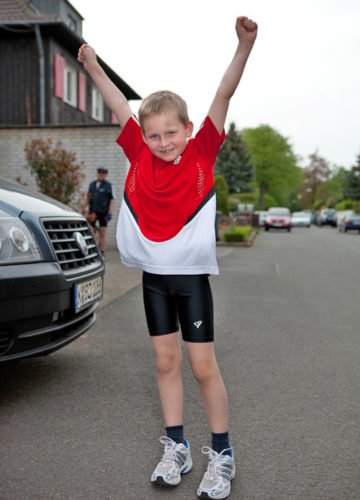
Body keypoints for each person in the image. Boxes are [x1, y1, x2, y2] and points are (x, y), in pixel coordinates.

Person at [78, 15, 257, 499]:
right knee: (163, 362)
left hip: (191, 280)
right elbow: (118, 103)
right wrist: (93, 66)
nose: (162, 143)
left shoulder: (202, 152)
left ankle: (222, 454)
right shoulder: (138, 152)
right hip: (154, 279)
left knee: (202, 367)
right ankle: (176, 446)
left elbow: (224, 94)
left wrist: (243, 47)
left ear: (187, 129)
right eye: (154, 136)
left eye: (170, 134)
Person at [85, 166, 116, 256]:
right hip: (93, 212)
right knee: (91, 231)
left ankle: (102, 251)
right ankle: (93, 250)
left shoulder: (109, 186)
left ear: (106, 175)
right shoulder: (92, 185)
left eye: (103, 173)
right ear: (97, 173)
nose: (101, 174)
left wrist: (110, 212)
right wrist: (84, 207)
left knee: (103, 231)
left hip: (104, 212)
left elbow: (112, 199)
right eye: (100, 172)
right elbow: (88, 197)